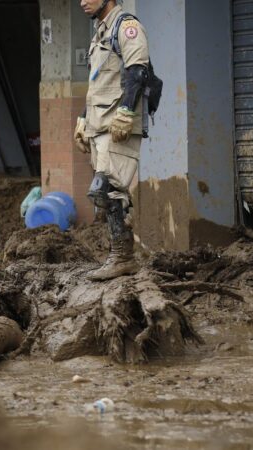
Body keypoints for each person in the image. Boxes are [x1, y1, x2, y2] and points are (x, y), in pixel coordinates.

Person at [74, 0, 149, 281]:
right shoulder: (99, 32)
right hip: (100, 125)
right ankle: (120, 256)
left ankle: (122, 258)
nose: (82, 1)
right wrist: (83, 119)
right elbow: (98, 82)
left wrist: (127, 111)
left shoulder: (126, 26)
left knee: (108, 189)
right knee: (105, 195)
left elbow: (138, 71)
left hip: (118, 125)